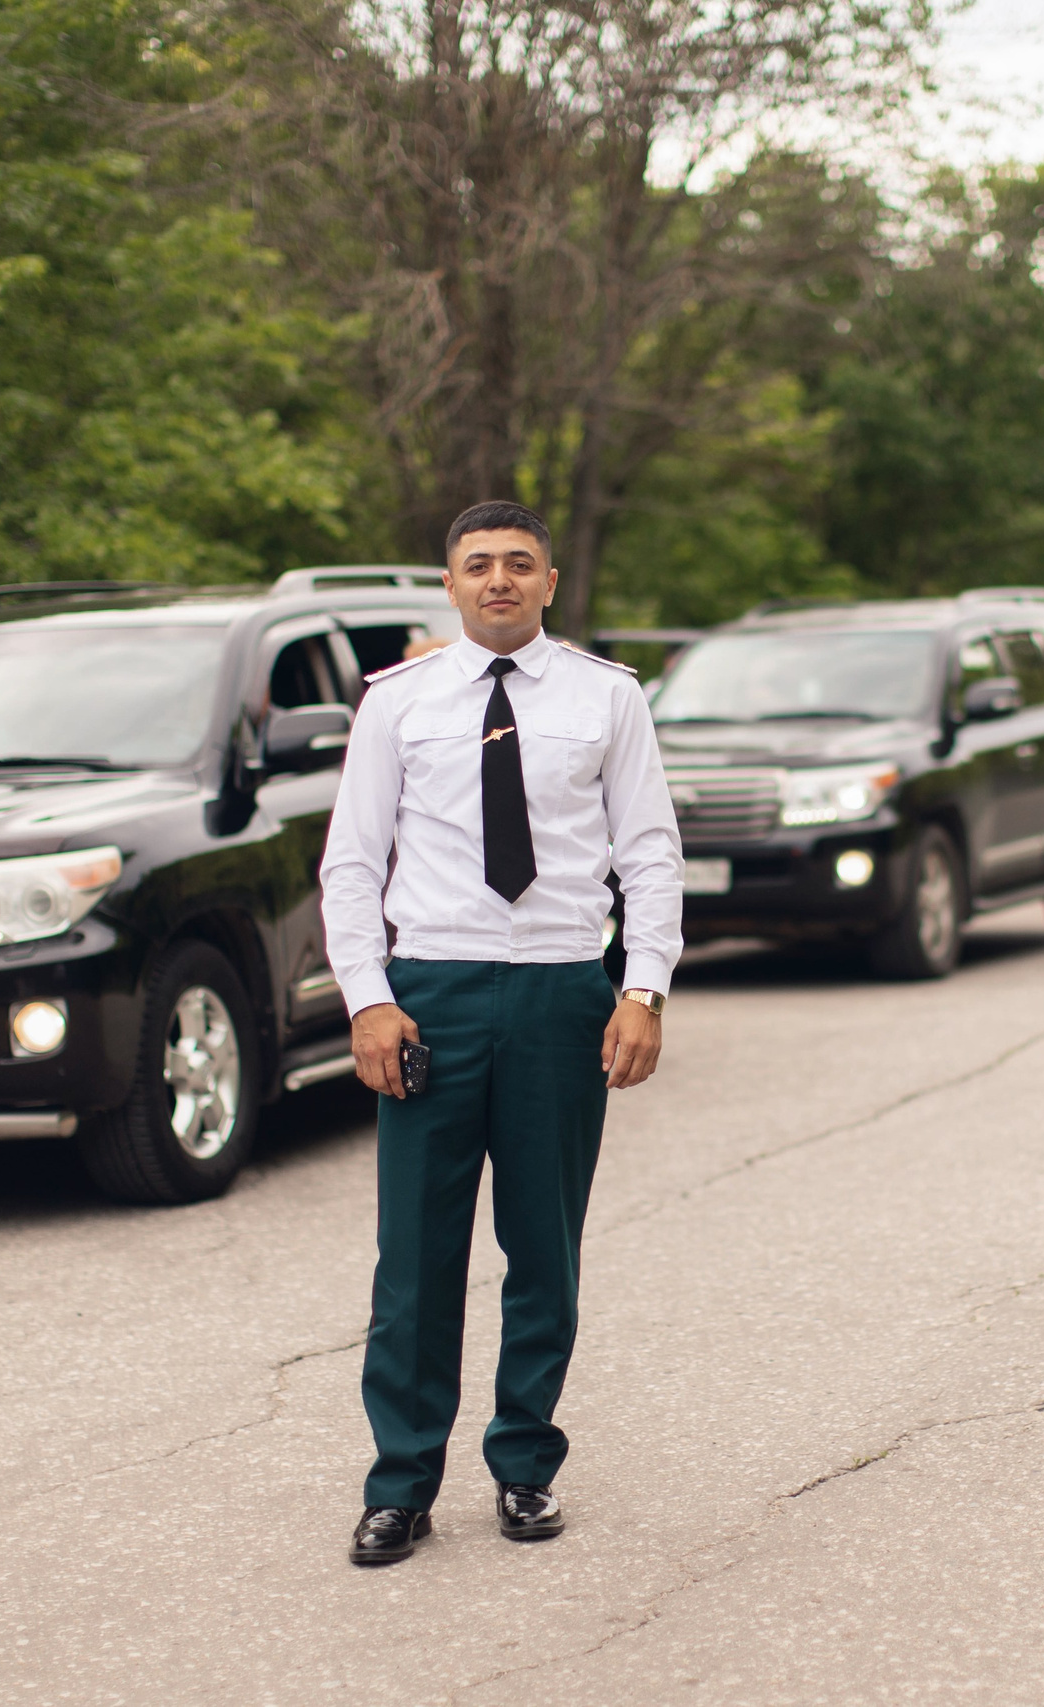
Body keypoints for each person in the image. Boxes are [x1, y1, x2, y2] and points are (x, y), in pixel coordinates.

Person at [318, 500, 683, 1566]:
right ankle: (402, 1485)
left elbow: (650, 854)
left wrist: (643, 989)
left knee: (543, 1249)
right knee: (417, 1259)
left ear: (551, 582)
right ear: (450, 583)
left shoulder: (607, 699)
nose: (499, 581)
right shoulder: (396, 703)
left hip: (561, 993)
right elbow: (352, 862)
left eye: (519, 564)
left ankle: (524, 1467)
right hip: (429, 991)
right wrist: (366, 997)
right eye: (478, 564)